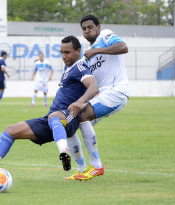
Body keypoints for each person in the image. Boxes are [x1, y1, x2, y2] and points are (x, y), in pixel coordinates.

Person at [0, 36, 99, 182]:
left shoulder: (79, 67)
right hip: (52, 120)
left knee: (54, 117)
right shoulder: (69, 67)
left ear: (78, 51)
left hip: (68, 116)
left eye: (68, 52)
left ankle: (63, 153)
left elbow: (94, 87)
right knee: (10, 130)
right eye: (61, 52)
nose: (64, 56)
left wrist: (80, 101)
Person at [64, 15, 130, 181]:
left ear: (98, 27)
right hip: (102, 95)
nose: (87, 31)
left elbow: (123, 47)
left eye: (90, 27)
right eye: (84, 29)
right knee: (69, 122)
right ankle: (83, 169)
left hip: (116, 91)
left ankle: (97, 166)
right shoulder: (87, 53)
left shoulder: (105, 36)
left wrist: (96, 50)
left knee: (83, 115)